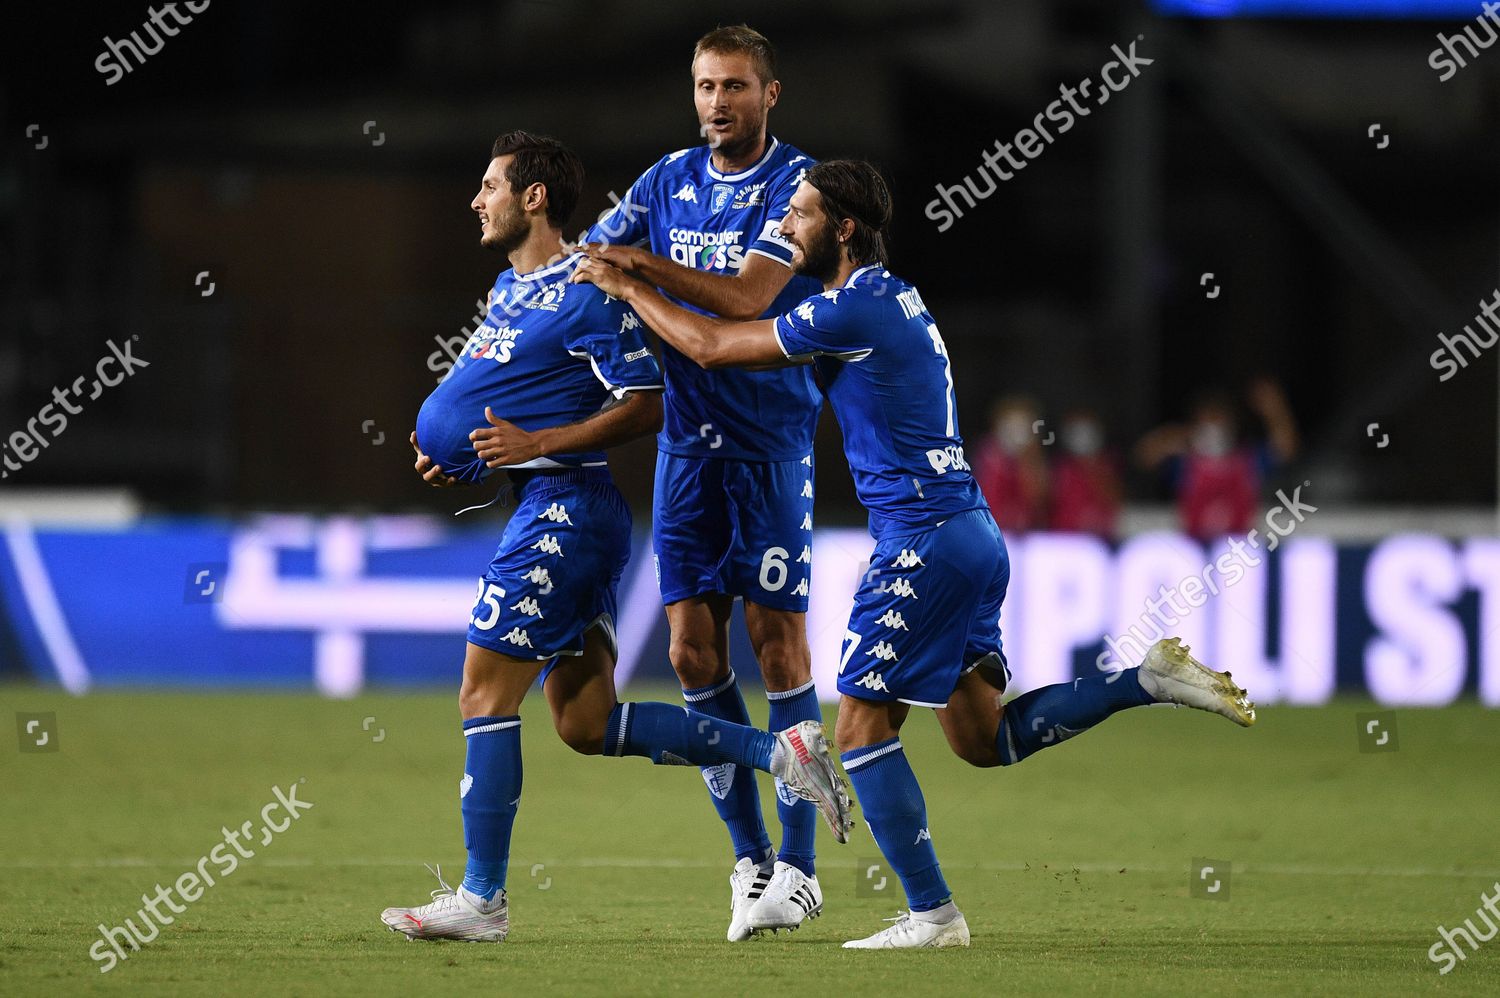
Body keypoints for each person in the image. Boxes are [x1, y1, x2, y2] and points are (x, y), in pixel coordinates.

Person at [573, 159, 1257, 949]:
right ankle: (1146, 681)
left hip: (922, 541)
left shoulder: (852, 308)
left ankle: (934, 915)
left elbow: (717, 345)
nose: (785, 226)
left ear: (844, 228)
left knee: (860, 729)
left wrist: (631, 287)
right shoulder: (892, 296)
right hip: (971, 534)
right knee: (982, 738)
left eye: (798, 214)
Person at [380, 131, 849, 944]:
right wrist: (459, 454)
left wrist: (539, 448)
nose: (475, 199)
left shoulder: (593, 291)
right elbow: (506, 399)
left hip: (568, 511)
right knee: (586, 725)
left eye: (489, 184)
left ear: (533, 198)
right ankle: (781, 752)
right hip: (535, 503)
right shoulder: (505, 290)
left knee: (483, 696)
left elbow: (648, 400)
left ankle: (483, 899)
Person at [580, 25, 827, 938]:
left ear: (771, 95)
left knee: (780, 651)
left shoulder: (799, 187)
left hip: (769, 449)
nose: (717, 102)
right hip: (686, 450)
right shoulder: (662, 181)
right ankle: (750, 859)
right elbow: (586, 269)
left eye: (734, 86)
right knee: (689, 654)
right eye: (704, 86)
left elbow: (747, 300)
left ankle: (800, 872)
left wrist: (636, 267)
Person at [1134, 380, 1299, 542]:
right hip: (1195, 551)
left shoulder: (1248, 461)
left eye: (1219, 422)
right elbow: (1145, 456)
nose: (1214, 432)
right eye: (1207, 424)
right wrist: (1179, 436)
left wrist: (1275, 410)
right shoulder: (1186, 465)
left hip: (1237, 553)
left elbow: (1285, 449)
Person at [972, 396, 1049, 534]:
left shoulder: (1034, 458)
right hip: (991, 531)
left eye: (1022, 426)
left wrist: (1028, 462)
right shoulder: (988, 456)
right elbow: (985, 499)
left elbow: (1040, 502)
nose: (1017, 432)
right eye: (1012, 425)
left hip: (1032, 535)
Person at [1048, 407, 1121, 539]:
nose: (1082, 436)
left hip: (1100, 538)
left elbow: (1115, 499)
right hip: (1063, 537)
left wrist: (1093, 467)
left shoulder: (1107, 465)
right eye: (1076, 430)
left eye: (1087, 430)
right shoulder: (1058, 466)